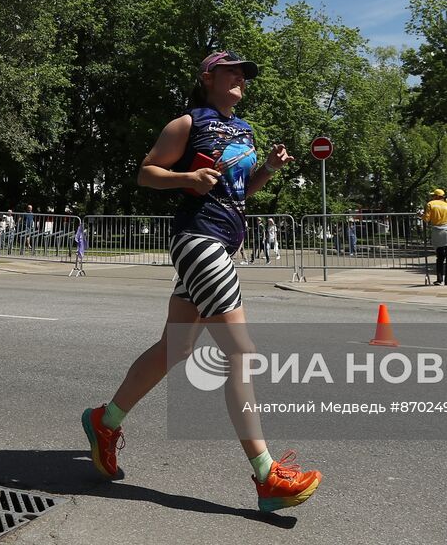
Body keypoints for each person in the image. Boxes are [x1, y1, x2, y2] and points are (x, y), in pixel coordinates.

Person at [81, 50, 321, 512]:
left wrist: (268, 169)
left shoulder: (245, 130)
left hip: (220, 242)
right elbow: (147, 173)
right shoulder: (187, 124)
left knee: (176, 347)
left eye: (245, 75)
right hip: (199, 240)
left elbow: (240, 189)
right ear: (209, 77)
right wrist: (187, 176)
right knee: (241, 353)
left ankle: (105, 421)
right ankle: (268, 475)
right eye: (233, 71)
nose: (241, 79)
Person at [422, 188, 447, 286]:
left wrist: (421, 215)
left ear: (437, 196)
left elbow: (426, 219)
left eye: (433, 195)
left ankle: (439, 279)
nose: (432, 197)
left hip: (437, 233)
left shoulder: (430, 204)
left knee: (440, 257)